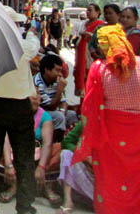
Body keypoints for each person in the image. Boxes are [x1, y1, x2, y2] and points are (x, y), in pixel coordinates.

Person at [0, 7, 41, 214]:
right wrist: (31, 33)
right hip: (18, 105)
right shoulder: (21, 45)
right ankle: (25, 206)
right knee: (24, 158)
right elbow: (33, 46)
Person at [72, 24, 140, 213]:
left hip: (109, 134)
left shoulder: (99, 69)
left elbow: (90, 107)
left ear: (103, 47)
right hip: (137, 133)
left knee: (109, 178)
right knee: (135, 178)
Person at [33, 53, 77, 135]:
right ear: (47, 70)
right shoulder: (37, 82)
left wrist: (62, 111)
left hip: (54, 111)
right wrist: (60, 89)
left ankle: (68, 138)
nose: (60, 74)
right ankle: (56, 141)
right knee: (59, 117)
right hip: (40, 113)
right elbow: (51, 106)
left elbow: (64, 102)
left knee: (72, 115)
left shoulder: (55, 80)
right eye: (57, 70)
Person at [57, 122, 93, 214]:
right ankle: (68, 201)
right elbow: (66, 142)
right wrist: (85, 156)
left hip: (109, 181)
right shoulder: (87, 121)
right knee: (66, 154)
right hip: (89, 173)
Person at [73, 3, 103, 95]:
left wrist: (91, 36)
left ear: (98, 12)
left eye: (90, 10)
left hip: (91, 58)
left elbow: (101, 42)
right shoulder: (83, 24)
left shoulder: (100, 25)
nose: (88, 12)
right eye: (87, 10)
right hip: (81, 57)